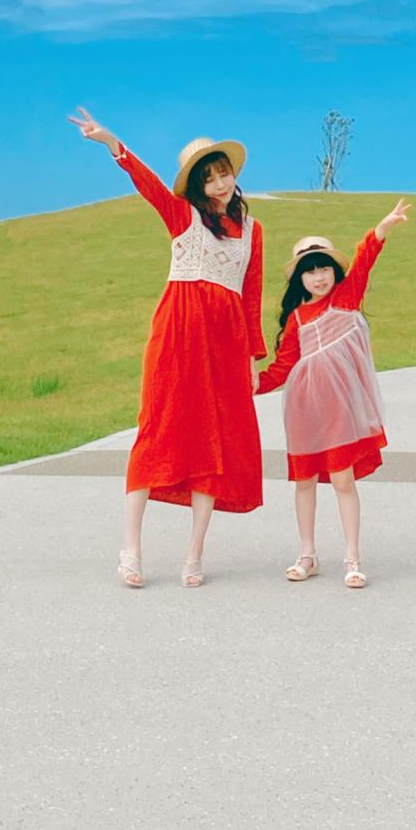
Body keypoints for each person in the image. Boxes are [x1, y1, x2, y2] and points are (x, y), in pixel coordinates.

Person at [69, 109, 264, 589]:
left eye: (224, 173)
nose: (219, 182)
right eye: (210, 177)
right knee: (156, 429)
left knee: (212, 440)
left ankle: (194, 553)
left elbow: (252, 293)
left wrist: (254, 356)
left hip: (225, 342)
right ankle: (131, 549)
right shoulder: (183, 217)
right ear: (197, 185)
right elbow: (151, 187)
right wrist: (114, 143)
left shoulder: (253, 230)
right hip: (178, 333)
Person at [255, 201, 409, 589]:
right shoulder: (296, 319)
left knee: (342, 480)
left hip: (341, 409)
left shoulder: (344, 299)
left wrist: (382, 228)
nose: (318, 276)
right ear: (299, 280)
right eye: (309, 271)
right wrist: (251, 383)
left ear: (334, 271)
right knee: (304, 481)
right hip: (305, 410)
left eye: (324, 267)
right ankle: (307, 555)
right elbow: (281, 368)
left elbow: (365, 259)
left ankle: (352, 559)